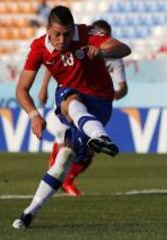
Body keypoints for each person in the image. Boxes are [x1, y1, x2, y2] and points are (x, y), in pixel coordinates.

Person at [12, 5, 131, 229]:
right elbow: (21, 89)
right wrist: (34, 116)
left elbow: (124, 48)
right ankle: (28, 213)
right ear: (48, 29)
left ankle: (99, 136)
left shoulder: (87, 34)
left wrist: (103, 50)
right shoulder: (39, 47)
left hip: (100, 103)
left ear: (73, 29)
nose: (62, 39)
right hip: (77, 105)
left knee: (68, 97)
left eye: (67, 34)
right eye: (57, 33)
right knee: (64, 156)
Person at [38, 19, 128, 197]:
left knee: (87, 152)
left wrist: (113, 95)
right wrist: (43, 88)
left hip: (94, 105)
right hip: (71, 99)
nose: (99, 39)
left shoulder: (114, 59)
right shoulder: (78, 47)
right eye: (97, 34)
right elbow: (52, 62)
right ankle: (56, 174)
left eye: (104, 36)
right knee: (67, 142)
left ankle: (67, 179)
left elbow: (123, 87)